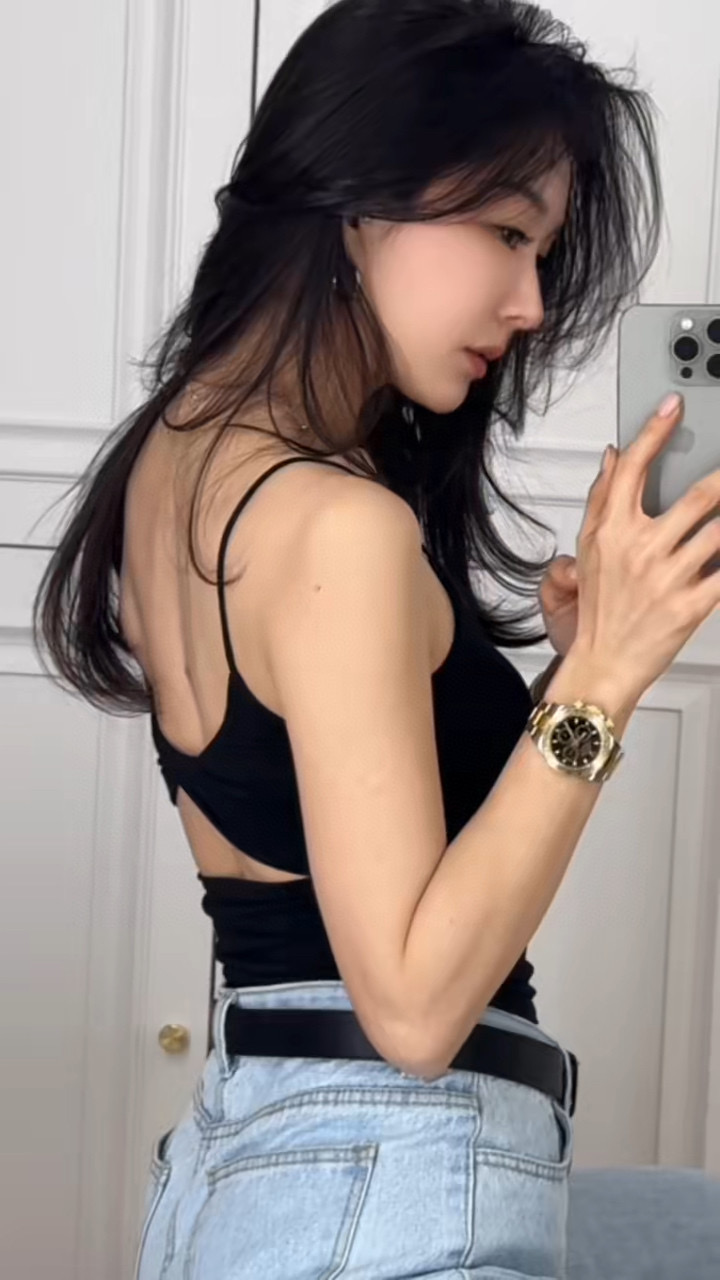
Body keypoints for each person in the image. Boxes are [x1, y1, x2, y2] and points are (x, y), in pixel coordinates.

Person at [33, 2, 720, 1276]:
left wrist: (578, 671)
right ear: (358, 198)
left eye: (544, 252)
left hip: (270, 1156)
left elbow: (327, 828)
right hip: (391, 1181)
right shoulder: (338, 524)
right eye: (506, 232)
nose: (529, 301)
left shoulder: (184, 455)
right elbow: (412, 1006)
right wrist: (609, 680)